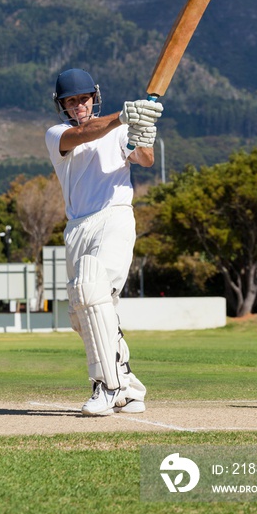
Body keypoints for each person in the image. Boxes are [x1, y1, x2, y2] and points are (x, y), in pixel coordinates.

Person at [45, 68, 163, 416]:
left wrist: (142, 135)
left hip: (115, 216)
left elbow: (145, 160)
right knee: (84, 314)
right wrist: (123, 118)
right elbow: (84, 134)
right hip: (78, 227)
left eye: (83, 99)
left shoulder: (119, 129)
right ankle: (129, 387)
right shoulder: (58, 134)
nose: (79, 106)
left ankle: (107, 387)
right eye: (71, 101)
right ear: (62, 106)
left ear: (93, 97)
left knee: (93, 290)